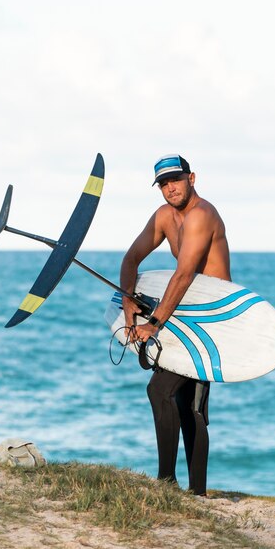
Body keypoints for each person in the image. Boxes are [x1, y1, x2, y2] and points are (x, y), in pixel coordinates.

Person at [120, 154, 231, 496]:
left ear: (191, 178)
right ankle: (193, 492)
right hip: (184, 317)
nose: (171, 188)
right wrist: (129, 313)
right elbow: (130, 259)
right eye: (164, 184)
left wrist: (153, 323)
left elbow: (184, 274)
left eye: (176, 180)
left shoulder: (202, 215)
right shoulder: (165, 217)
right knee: (180, 402)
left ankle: (170, 485)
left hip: (212, 318)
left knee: (166, 393)